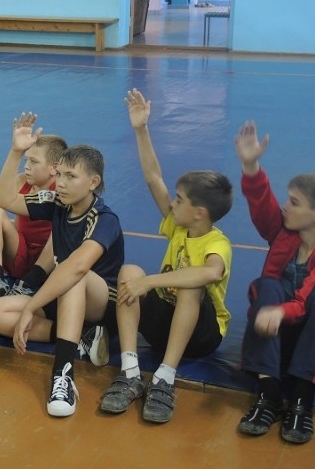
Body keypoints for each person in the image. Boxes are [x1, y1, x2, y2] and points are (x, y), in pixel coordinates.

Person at [99, 89, 233, 424]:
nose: (172, 203)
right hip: (163, 325)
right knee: (129, 271)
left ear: (199, 212)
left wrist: (151, 282)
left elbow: (209, 273)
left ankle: (165, 377)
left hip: (201, 336)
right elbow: (153, 177)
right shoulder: (179, 226)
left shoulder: (217, 243)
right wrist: (141, 129)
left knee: (191, 286)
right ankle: (130, 370)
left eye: (179, 199)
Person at [0, 112, 124, 418]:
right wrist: (15, 151)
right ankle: (82, 337)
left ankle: (63, 374)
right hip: (60, 294)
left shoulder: (104, 219)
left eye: (71, 177)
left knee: (71, 273)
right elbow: (3, 199)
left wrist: (31, 307)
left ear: (93, 182)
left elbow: (78, 268)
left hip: (98, 303)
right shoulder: (58, 203)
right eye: (59, 175)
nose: (61, 183)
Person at [234, 120, 315, 445]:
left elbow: (307, 301)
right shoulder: (283, 230)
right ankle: (268, 393)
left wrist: (280, 312)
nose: (286, 206)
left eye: (295, 202)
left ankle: (302, 399)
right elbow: (261, 203)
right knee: (267, 285)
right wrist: (250, 165)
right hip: (276, 335)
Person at [0, 132, 67, 309]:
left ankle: (31, 281)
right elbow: (0, 200)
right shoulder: (21, 181)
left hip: (49, 264)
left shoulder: (63, 190)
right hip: (20, 254)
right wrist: (16, 151)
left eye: (33, 162)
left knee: (62, 225)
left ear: (54, 168)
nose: (26, 167)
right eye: (26, 160)